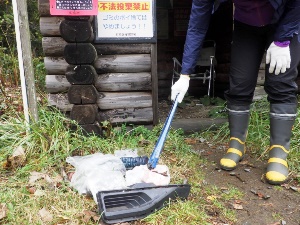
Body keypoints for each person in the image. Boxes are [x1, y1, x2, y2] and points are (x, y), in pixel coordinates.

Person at [171, 0, 300, 185]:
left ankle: (278, 153)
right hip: (246, 26)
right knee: (239, 83)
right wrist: (185, 74)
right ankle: (236, 144)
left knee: (281, 82)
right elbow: (197, 26)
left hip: (283, 19)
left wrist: (283, 39)